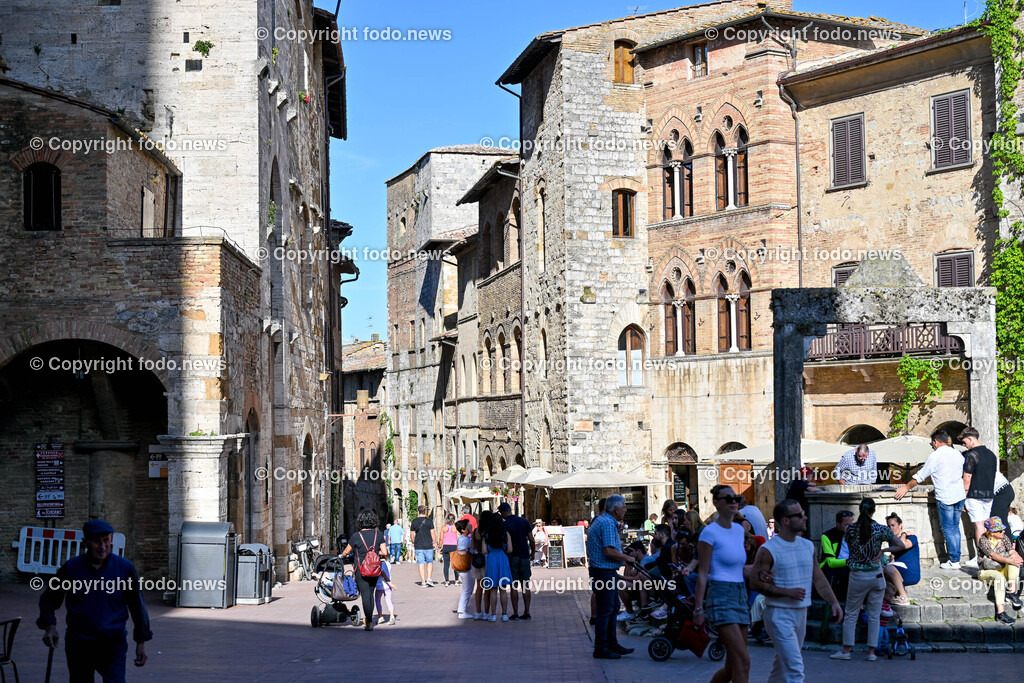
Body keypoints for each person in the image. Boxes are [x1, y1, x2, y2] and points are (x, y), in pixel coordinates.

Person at [38, 519, 151, 681]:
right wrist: (50, 626)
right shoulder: (71, 568)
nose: (102, 546)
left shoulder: (124, 568)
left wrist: (141, 642)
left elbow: (137, 606)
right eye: (96, 542)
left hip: (113, 645)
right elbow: (49, 599)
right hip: (79, 644)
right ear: (86, 543)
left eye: (106, 540)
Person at [751, 499, 843, 682]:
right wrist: (786, 592)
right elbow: (755, 583)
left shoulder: (807, 546)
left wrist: (833, 602)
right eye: (799, 515)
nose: (805, 517)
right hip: (778, 614)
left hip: (801, 613)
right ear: (785, 520)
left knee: (781, 666)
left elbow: (818, 578)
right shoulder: (768, 549)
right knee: (795, 669)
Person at [830, 498, 904, 661]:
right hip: (876, 575)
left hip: (858, 575)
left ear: (859, 509)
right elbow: (900, 545)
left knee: (851, 614)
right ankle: (871, 652)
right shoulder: (881, 529)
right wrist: (883, 549)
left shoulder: (850, 529)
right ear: (873, 510)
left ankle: (846, 650)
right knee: (875, 614)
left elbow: (850, 548)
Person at [693, 485, 751, 683]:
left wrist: (761, 572)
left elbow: (739, 567)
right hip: (720, 594)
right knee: (743, 660)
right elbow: (702, 572)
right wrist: (698, 609)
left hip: (740, 594)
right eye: (728, 499)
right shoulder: (709, 533)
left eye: (735, 498)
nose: (734, 502)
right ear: (716, 503)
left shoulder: (738, 530)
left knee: (733, 665)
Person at [895, 430, 965, 569]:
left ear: (935, 442)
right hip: (959, 494)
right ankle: (957, 557)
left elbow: (920, 476)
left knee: (947, 529)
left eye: (931, 443)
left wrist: (905, 488)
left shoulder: (935, 456)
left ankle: (954, 560)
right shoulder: (957, 453)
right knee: (955, 527)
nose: (932, 446)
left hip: (945, 496)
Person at [586, 493, 636, 659]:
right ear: (616, 509)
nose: (626, 509)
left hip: (604, 571)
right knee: (606, 610)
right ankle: (602, 647)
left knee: (612, 607)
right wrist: (627, 558)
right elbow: (609, 550)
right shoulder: (607, 523)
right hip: (604, 572)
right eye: (624, 506)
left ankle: (611, 643)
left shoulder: (604, 521)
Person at [341, 510, 389, 631]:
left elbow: (347, 551)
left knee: (365, 594)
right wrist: (374, 553)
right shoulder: (378, 534)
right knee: (371, 594)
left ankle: (368, 621)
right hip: (374, 567)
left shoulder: (356, 536)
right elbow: (385, 553)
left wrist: (343, 555)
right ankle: (369, 619)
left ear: (360, 521)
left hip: (360, 568)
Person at [961, 426, 998, 567]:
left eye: (965, 442)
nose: (964, 445)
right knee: (986, 525)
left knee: (978, 525)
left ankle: (981, 557)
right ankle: (991, 554)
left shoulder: (971, 455)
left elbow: (967, 478)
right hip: (988, 493)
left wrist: (963, 497)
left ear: (971, 439)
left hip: (974, 494)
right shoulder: (991, 454)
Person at [977, 517, 1023, 623]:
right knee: (1000, 578)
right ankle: (1000, 613)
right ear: (992, 532)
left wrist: (1017, 557)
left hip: (1002, 568)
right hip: (986, 570)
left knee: (1014, 560)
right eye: (1000, 530)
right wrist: (1010, 560)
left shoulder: (1004, 537)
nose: (1003, 531)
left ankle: (1011, 592)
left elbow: (1011, 550)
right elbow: (992, 555)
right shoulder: (983, 540)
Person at [498, 502, 535, 620]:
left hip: (512, 557)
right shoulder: (524, 521)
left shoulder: (505, 524)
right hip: (524, 555)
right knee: (525, 585)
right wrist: (533, 551)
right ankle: (527, 611)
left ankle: (515, 612)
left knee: (514, 585)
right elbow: (531, 538)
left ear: (503, 512)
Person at [482, 510, 514, 622]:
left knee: (493, 589)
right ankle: (505, 615)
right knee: (503, 589)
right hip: (502, 559)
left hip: (491, 560)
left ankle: (494, 614)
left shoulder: (486, 535)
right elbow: (510, 549)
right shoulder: (506, 534)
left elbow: (484, 551)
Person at [820, 510, 854, 601]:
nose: (849, 528)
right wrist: (849, 562)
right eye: (846, 525)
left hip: (851, 564)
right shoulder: (827, 536)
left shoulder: (854, 535)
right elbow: (830, 562)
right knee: (846, 574)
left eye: (851, 525)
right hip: (834, 567)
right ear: (838, 523)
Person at [884, 513, 917, 604]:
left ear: (900, 525)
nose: (891, 528)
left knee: (889, 568)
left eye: (893, 525)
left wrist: (904, 534)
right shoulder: (892, 541)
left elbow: (902, 545)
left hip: (911, 572)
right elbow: (894, 560)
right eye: (889, 526)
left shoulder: (911, 537)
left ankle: (903, 596)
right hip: (899, 572)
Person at [617, 541, 650, 621]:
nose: (630, 554)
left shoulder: (647, 560)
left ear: (638, 551)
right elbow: (628, 577)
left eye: (631, 551)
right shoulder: (639, 561)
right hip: (642, 588)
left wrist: (620, 577)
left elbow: (637, 579)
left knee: (621, 584)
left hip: (649, 589)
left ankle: (629, 612)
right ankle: (629, 611)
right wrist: (628, 564)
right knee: (622, 583)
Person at [410, 505, 437, 586]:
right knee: (429, 562)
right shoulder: (429, 521)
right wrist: (434, 543)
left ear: (418, 512)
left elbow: (412, 533)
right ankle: (429, 578)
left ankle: (423, 582)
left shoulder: (414, 521)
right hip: (428, 544)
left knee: (421, 563)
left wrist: (413, 542)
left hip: (419, 545)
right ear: (425, 512)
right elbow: (433, 533)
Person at [471, 511, 492, 619]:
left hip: (477, 560)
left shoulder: (475, 531)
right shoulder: (488, 531)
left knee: (478, 587)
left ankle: (478, 612)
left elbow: (473, 546)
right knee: (487, 587)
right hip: (486, 560)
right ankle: (486, 612)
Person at [454, 519, 476, 619]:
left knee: (468, 589)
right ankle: (462, 611)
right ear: (463, 530)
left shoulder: (462, 539)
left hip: (464, 566)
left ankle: (462, 610)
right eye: (468, 526)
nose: (470, 526)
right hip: (465, 567)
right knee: (467, 590)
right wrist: (472, 532)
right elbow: (473, 546)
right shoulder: (464, 540)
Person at [439, 513, 459, 586]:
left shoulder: (443, 528)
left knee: (446, 565)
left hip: (446, 547)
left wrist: (440, 547)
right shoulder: (456, 528)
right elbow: (458, 538)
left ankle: (447, 581)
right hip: (454, 547)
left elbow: (441, 539)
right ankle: (456, 581)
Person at [374, 557, 396, 625]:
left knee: (377, 600)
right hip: (388, 586)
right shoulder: (388, 564)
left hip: (380, 585)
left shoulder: (380, 564)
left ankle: (380, 616)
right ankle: (392, 616)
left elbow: (382, 573)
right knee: (389, 601)